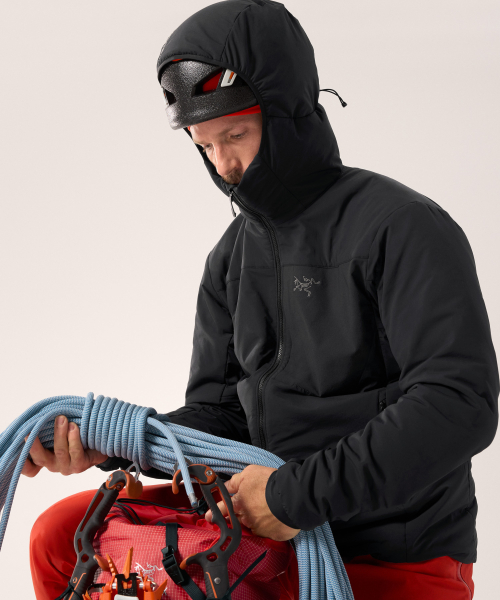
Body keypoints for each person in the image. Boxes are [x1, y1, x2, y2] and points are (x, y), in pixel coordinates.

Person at [25, 1, 498, 599]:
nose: (225, 165)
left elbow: (459, 403)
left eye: (236, 136)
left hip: (390, 553)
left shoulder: (402, 227)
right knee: (60, 537)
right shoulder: (230, 259)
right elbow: (222, 418)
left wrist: (295, 496)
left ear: (286, 113)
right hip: (262, 535)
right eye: (204, 145)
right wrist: (110, 443)